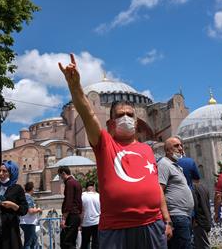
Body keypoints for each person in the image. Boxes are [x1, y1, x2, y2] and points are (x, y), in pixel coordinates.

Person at [58, 54, 172, 248]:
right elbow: (87, 113)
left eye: (130, 115)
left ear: (136, 122)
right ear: (111, 123)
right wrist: (75, 86)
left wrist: (166, 219)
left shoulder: (146, 149)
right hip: (116, 229)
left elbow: (156, 187)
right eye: (120, 115)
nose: (126, 118)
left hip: (152, 225)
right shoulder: (105, 144)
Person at [158, 137, 194, 249]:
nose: (180, 148)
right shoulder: (164, 164)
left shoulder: (177, 166)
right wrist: (167, 219)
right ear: (167, 150)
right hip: (176, 216)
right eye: (176, 146)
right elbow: (159, 190)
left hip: (185, 216)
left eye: (181, 145)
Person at [58, 166, 82, 249]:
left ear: (63, 173)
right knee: (71, 242)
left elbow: (69, 201)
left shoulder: (69, 183)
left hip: (70, 216)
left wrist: (64, 219)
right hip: (76, 216)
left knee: (66, 242)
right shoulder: (76, 182)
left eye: (61, 176)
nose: (61, 179)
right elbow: (79, 202)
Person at [20, 181, 42, 249]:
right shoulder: (28, 197)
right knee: (28, 243)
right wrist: (38, 210)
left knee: (33, 240)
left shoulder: (24, 197)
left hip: (26, 222)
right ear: (32, 189)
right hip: (29, 222)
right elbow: (30, 211)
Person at [81, 181, 100, 249]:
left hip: (86, 222)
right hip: (97, 222)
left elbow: (82, 211)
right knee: (96, 242)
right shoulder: (98, 196)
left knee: (85, 243)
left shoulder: (82, 196)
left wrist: (80, 223)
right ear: (94, 186)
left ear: (86, 188)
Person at [192, 182, 211, 249]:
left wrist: (194, 219)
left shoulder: (193, 188)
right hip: (206, 218)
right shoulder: (204, 187)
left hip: (199, 221)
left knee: (203, 245)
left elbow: (195, 204)